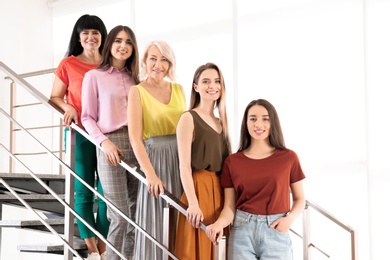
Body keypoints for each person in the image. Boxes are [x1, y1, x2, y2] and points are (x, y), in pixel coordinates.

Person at [206, 99, 306, 260]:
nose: (258, 124)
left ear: (273, 122)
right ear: (246, 123)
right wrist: (218, 224)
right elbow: (229, 207)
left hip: (276, 231)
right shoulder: (232, 162)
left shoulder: (289, 158)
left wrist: (289, 219)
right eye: (253, 119)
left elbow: (300, 198)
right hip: (242, 232)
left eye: (265, 119)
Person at [49, 14, 109, 260]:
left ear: (102, 37)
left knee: (107, 196)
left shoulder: (109, 64)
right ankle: (93, 252)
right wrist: (68, 108)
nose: (90, 37)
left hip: (107, 135)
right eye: (85, 32)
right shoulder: (68, 64)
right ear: (78, 36)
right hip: (79, 135)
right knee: (83, 192)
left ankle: (105, 249)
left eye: (95, 32)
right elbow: (54, 97)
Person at [81, 25, 140, 260]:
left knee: (135, 214)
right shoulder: (94, 76)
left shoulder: (135, 79)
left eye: (128, 42)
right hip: (110, 144)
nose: (123, 46)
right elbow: (87, 117)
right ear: (109, 45)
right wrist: (104, 143)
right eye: (118, 41)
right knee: (120, 214)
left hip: (136, 143)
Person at [127, 40, 186, 260]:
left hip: (181, 160)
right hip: (155, 161)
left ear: (170, 63)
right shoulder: (137, 91)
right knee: (156, 221)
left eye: (164, 59)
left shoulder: (179, 90)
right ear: (144, 61)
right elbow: (135, 138)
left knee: (180, 223)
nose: (158, 64)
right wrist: (150, 174)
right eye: (153, 58)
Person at [174, 62, 232, 260]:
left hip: (221, 192)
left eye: (217, 81)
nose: (212, 85)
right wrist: (193, 203)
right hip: (199, 190)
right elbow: (184, 166)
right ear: (196, 87)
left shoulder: (221, 122)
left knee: (218, 250)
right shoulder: (189, 118)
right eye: (206, 81)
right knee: (196, 249)